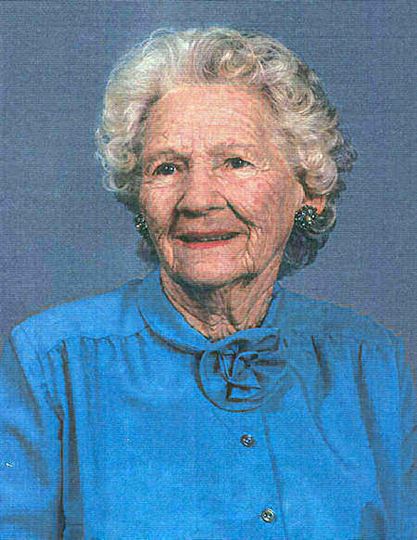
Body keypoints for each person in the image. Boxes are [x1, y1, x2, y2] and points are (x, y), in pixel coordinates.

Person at [1, 27, 415, 539]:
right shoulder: (51, 363)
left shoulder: (370, 365)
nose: (198, 199)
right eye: (167, 168)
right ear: (139, 198)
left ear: (309, 190)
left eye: (236, 162)